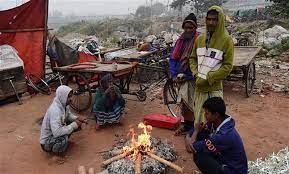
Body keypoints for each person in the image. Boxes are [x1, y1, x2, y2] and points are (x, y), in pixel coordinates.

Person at [189, 6, 234, 125]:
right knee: (198, 117)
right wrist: (195, 73)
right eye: (209, 19)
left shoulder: (226, 40)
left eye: (215, 19)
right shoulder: (200, 39)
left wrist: (209, 77)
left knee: (214, 120)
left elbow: (227, 66)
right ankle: (200, 141)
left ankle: (212, 142)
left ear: (220, 21)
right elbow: (192, 59)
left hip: (213, 88)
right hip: (199, 87)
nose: (211, 22)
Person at [185, 97, 248, 174]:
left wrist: (194, 132)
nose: (205, 116)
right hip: (228, 162)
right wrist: (191, 134)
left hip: (234, 171)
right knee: (201, 138)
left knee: (199, 154)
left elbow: (190, 148)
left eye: (207, 113)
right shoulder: (217, 122)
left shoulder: (223, 135)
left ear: (216, 115)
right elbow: (194, 131)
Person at [169, 13, 199, 135]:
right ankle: (187, 125)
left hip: (192, 77)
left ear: (195, 28)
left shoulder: (199, 40)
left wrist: (190, 76)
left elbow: (199, 61)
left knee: (193, 104)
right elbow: (173, 59)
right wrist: (174, 75)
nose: (188, 30)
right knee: (184, 104)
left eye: (190, 27)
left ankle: (194, 129)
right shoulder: (179, 41)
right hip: (180, 78)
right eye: (185, 27)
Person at [40, 85, 87, 155]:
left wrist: (77, 118)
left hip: (54, 134)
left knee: (73, 124)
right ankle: (56, 154)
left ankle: (60, 146)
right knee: (63, 138)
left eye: (71, 96)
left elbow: (68, 115)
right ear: (63, 96)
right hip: (46, 142)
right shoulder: (55, 110)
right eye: (69, 96)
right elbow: (57, 133)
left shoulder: (63, 104)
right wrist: (74, 125)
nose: (71, 99)